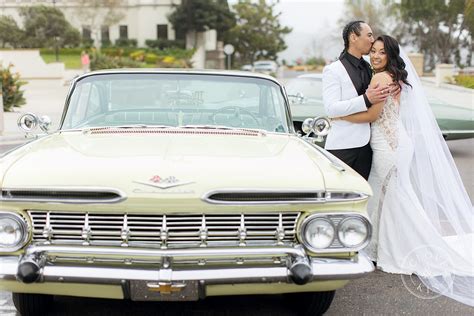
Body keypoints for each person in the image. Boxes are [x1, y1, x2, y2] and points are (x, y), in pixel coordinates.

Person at [335, 35, 474, 306]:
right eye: (373, 51)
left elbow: (373, 116)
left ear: (390, 56)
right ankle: (380, 246)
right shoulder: (393, 77)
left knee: (389, 197)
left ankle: (392, 248)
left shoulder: (380, 79)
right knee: (390, 197)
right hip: (397, 143)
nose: (375, 56)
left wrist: (338, 115)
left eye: (381, 53)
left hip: (389, 146)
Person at [322, 21, 397, 180]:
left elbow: (390, 75)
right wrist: (365, 99)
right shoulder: (333, 70)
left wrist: (396, 86)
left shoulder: (372, 66)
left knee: (363, 196)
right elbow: (331, 108)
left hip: (368, 147)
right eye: (369, 35)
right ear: (353, 37)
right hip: (342, 146)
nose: (372, 39)